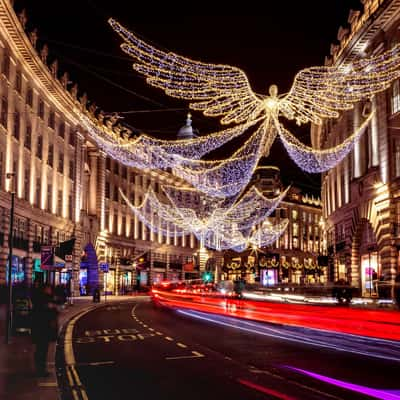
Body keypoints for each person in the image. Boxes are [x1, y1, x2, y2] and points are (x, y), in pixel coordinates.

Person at [30, 284, 59, 377]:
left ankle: (41, 369)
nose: (50, 290)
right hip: (43, 330)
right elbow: (47, 315)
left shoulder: (45, 300)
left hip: (43, 330)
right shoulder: (43, 301)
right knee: (41, 350)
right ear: (45, 290)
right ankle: (40, 370)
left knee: (42, 349)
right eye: (48, 288)